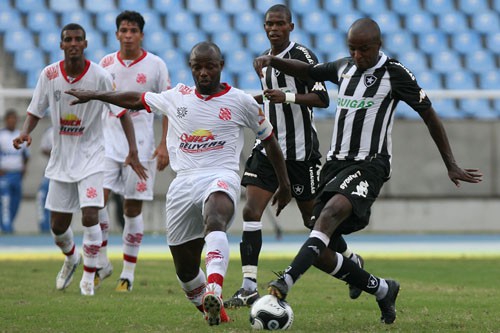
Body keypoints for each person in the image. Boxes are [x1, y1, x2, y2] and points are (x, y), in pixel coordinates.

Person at [253, 18, 483, 324]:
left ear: (378, 45)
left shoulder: (395, 73)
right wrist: (275, 60)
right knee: (322, 249)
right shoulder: (343, 68)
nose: (359, 55)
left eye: (365, 49)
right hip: (335, 165)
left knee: (328, 215)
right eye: (353, 49)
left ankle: (285, 283)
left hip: (369, 164)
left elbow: (429, 115)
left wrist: (450, 164)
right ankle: (382, 289)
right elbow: (309, 71)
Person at [65, 41, 292, 326]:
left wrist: (284, 184)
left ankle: (215, 287)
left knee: (216, 218)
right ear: (191, 68)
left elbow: (269, 140)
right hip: (183, 182)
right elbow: (136, 99)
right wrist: (97, 95)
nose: (204, 72)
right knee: (185, 271)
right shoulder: (177, 97)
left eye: (210, 66)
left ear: (221, 66)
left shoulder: (241, 101)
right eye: (198, 67)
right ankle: (218, 316)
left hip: (220, 174)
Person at [224, 4, 363, 308]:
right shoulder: (262, 60)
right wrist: (248, 101)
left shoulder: (302, 57)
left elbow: (324, 98)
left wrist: (286, 96)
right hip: (270, 149)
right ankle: (248, 285)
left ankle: (352, 261)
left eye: (279, 24)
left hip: (301, 155)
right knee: (250, 211)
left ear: (291, 26)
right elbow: (271, 98)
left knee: (314, 223)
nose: (273, 29)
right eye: (269, 24)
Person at [13, 23, 147, 297]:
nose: (73, 43)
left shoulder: (99, 75)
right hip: (62, 160)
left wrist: (132, 150)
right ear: (61, 45)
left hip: (93, 157)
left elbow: (121, 112)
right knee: (58, 228)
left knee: (89, 216)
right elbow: (35, 109)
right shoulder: (49, 74)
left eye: (78, 39)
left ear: (85, 44)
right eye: (68, 39)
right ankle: (71, 257)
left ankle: (88, 278)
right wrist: (25, 133)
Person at [94, 10, 171, 292]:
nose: (128, 36)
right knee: (95, 203)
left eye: (133, 31)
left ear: (141, 34)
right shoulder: (105, 64)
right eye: (123, 31)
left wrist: (163, 145)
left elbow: (167, 109)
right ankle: (101, 261)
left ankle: (128, 274)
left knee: (131, 208)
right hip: (107, 146)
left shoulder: (156, 66)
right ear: (116, 34)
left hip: (142, 147)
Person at [0, 109, 29, 233]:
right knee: (5, 203)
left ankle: (9, 226)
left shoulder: (20, 136)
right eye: (9, 119)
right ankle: (7, 229)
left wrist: (23, 168)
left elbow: (26, 155)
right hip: (4, 175)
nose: (12, 121)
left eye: (14, 119)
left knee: (15, 203)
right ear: (6, 120)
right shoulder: (1, 135)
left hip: (17, 175)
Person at [36, 126, 53, 233]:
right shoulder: (49, 131)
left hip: (66, 173)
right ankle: (44, 228)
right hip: (50, 172)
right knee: (43, 197)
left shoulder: (74, 128)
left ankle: (63, 229)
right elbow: (43, 148)